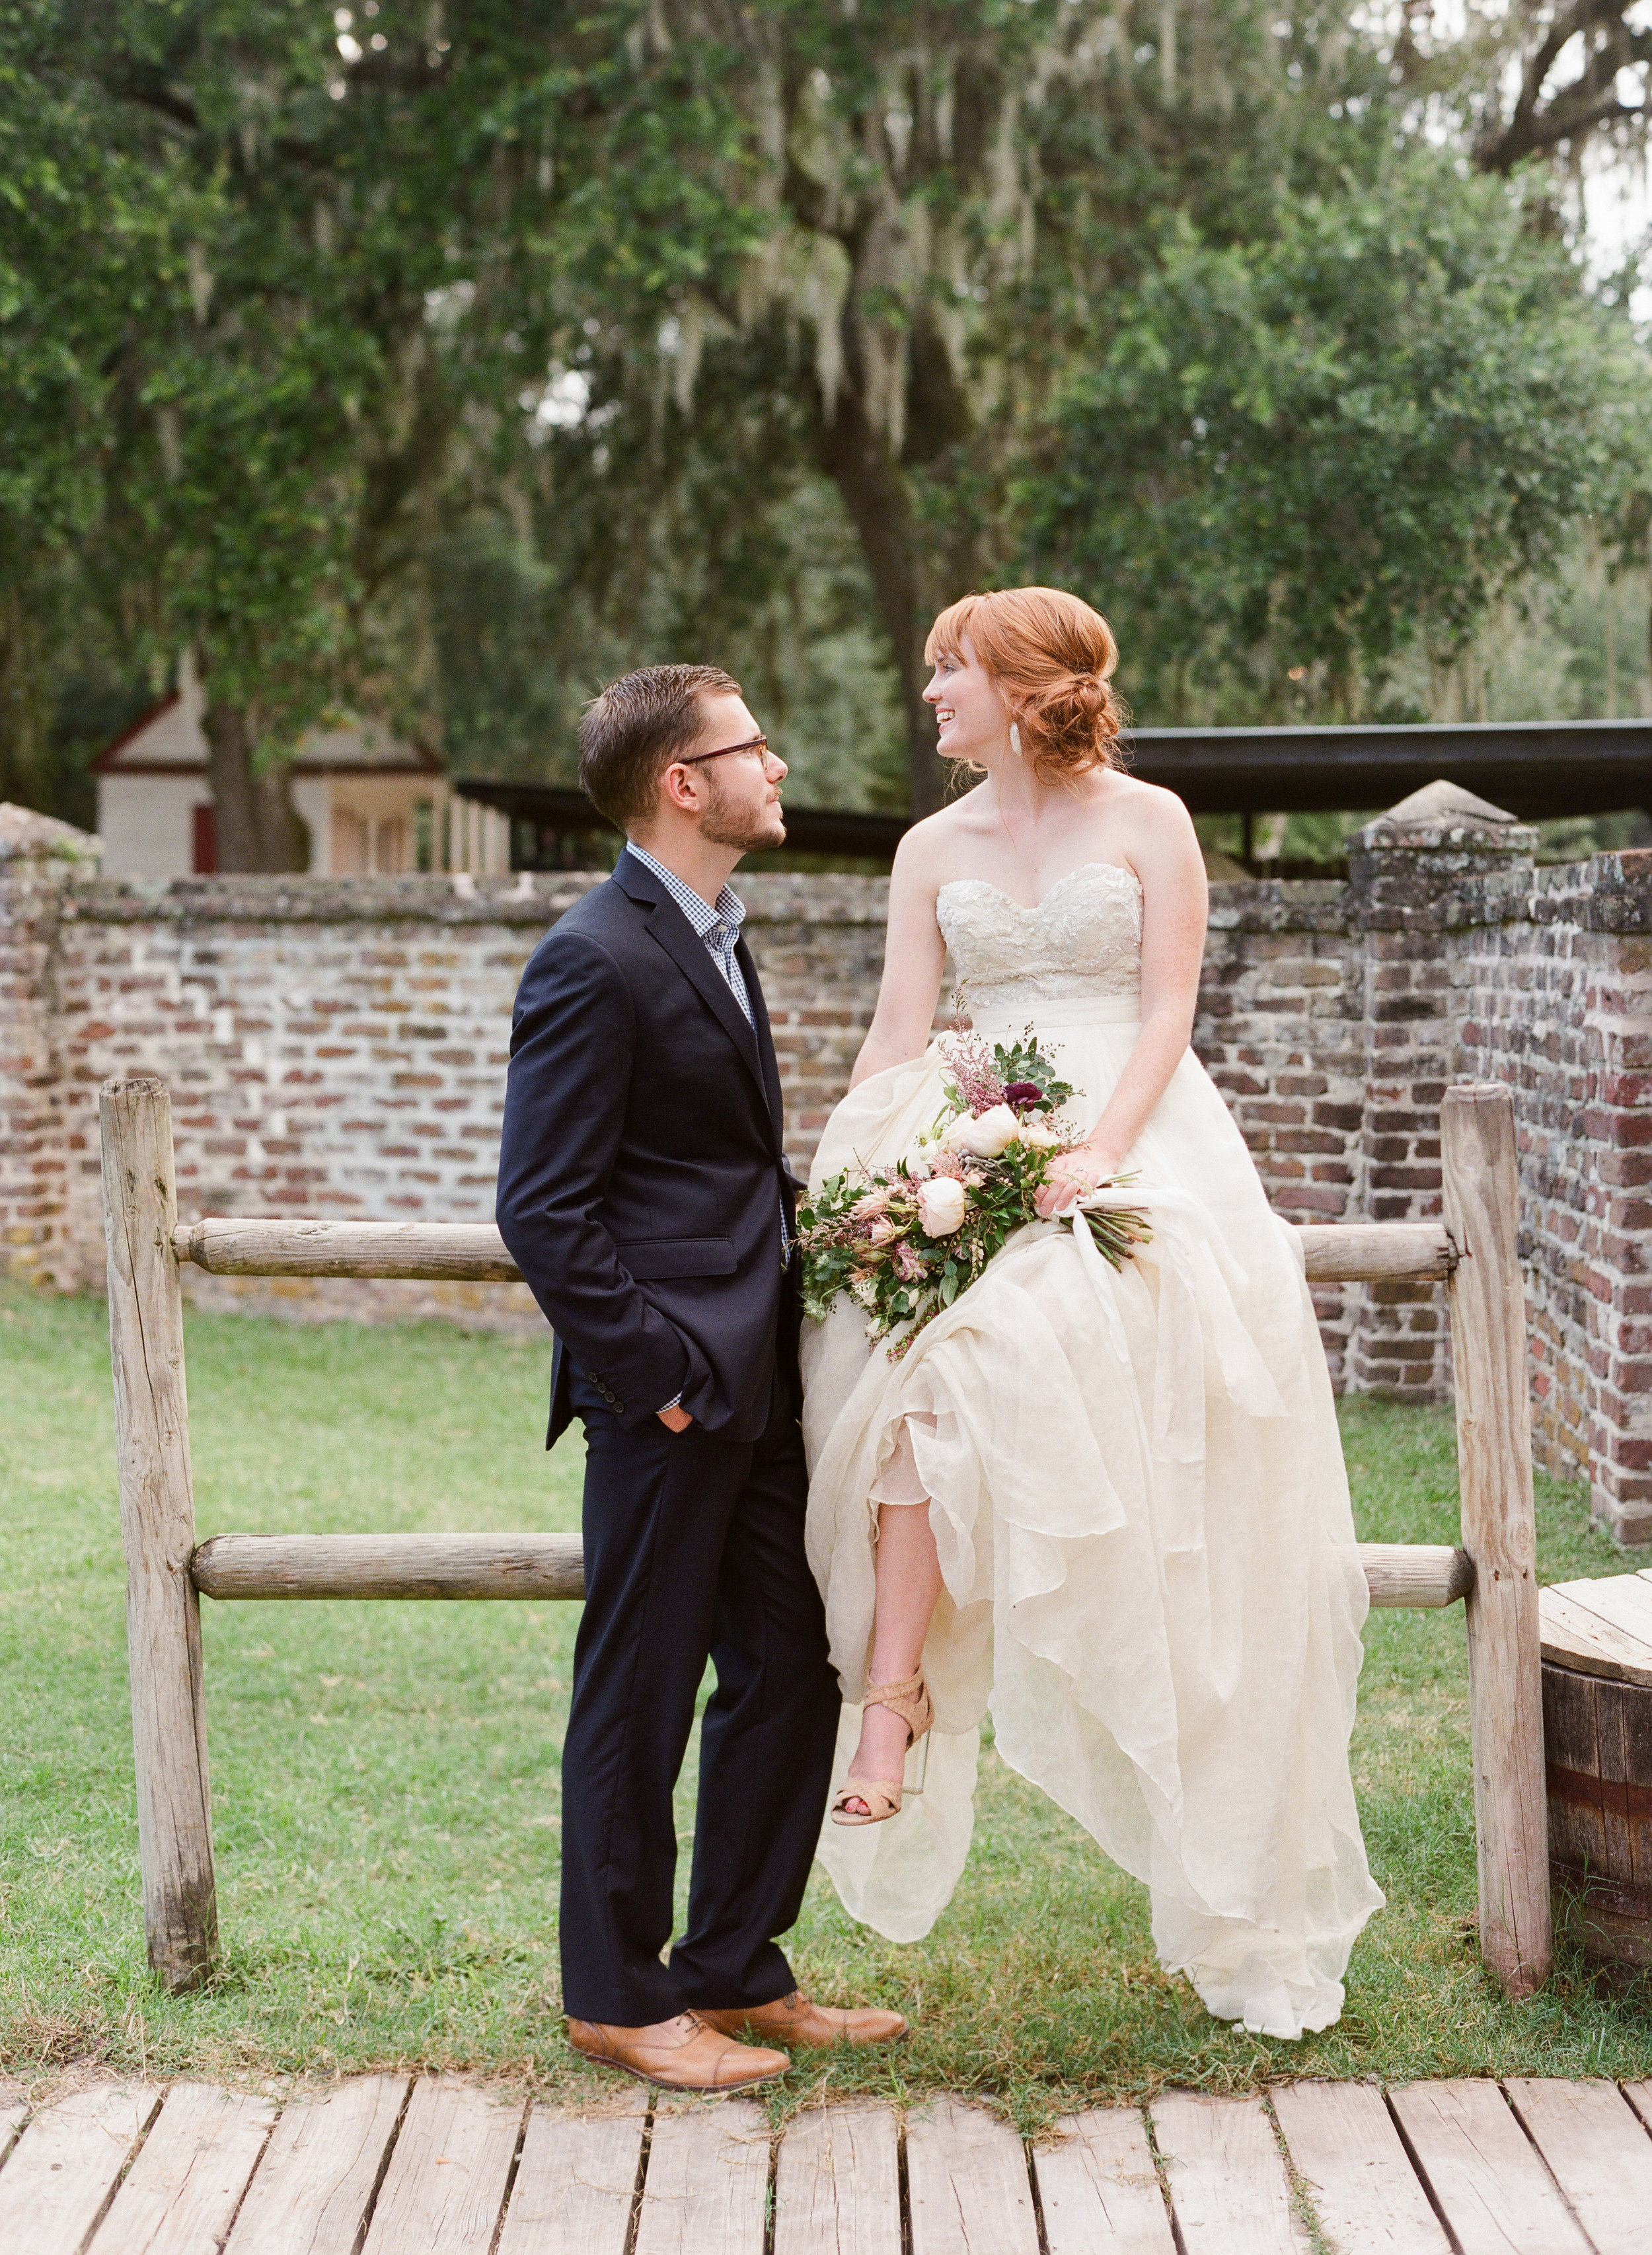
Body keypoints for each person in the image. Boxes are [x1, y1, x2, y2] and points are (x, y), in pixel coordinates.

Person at [800, 590, 1384, 2040]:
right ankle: (892, 1701)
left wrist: (1095, 1154)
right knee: (918, 1398)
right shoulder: (929, 846)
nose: (928, 689)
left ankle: (1206, 1834)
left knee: (1065, 1407)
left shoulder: (1151, 822)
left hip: (1129, 1135)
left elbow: (1170, 1008)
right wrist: (847, 1174)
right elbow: (898, 1021)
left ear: (1017, 684)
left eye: (949, 668)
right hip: (963, 1131)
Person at [496, 663, 907, 2092]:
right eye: (753, 748)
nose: (776, 767)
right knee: (639, 1692)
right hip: (669, 1395)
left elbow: (714, 1166)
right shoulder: (591, 956)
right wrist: (658, 1374)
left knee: (789, 1666)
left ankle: (732, 1965)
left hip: (759, 1380)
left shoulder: (719, 933)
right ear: (684, 782)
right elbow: (542, 1208)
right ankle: (614, 1995)